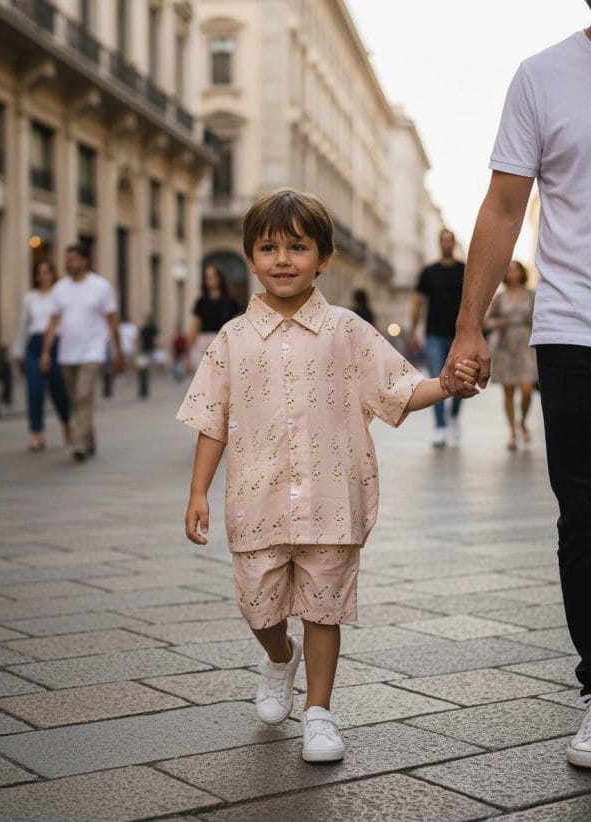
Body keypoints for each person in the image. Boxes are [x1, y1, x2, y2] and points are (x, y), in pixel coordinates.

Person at [176, 188, 478, 764]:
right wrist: (197, 492)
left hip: (332, 497)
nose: (283, 259)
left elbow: (397, 388)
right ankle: (277, 655)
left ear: (324, 258)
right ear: (251, 257)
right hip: (256, 498)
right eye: (269, 248)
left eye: (297, 247)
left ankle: (319, 712)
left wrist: (448, 386)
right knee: (258, 605)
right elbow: (210, 419)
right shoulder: (233, 339)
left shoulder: (347, 329)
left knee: (323, 607)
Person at [442, 6, 591, 769]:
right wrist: (470, 325)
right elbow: (505, 204)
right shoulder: (542, 76)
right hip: (574, 330)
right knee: (586, 516)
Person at [40, 244, 125, 462]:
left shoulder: (101, 286)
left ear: (85, 261)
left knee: (83, 395)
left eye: (74, 258)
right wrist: (46, 352)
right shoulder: (60, 288)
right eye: (67, 258)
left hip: (92, 352)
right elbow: (53, 322)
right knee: (75, 400)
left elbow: (112, 321)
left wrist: (118, 352)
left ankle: (79, 442)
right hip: (67, 354)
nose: (69, 263)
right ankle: (89, 441)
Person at [409, 229, 465, 448]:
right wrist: (414, 330)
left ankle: (455, 415)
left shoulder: (464, 270)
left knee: (461, 378)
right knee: (438, 379)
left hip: (459, 335)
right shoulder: (428, 271)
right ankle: (440, 426)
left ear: (454, 244)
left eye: (450, 241)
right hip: (433, 334)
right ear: (439, 244)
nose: (447, 244)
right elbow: (418, 302)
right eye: (444, 241)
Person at [11, 259, 71, 452]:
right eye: (40, 273)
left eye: (47, 272)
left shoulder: (60, 294)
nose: (44, 276)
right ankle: (37, 434)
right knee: (34, 391)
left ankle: (66, 423)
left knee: (58, 390)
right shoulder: (30, 297)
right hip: (34, 345)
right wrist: (18, 352)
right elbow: (23, 326)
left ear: (53, 274)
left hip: (56, 345)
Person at [484, 260, 536, 451]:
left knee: (527, 388)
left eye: (515, 269)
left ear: (522, 272)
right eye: (508, 270)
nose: (511, 273)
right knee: (508, 390)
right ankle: (512, 432)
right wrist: (498, 323)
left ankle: (522, 421)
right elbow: (486, 321)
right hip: (505, 346)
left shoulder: (532, 295)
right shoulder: (500, 297)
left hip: (525, 345)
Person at [186, 264, 239, 373]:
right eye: (207, 277)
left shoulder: (230, 301)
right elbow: (194, 326)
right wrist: (187, 353)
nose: (210, 280)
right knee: (203, 378)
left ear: (220, 278)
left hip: (224, 342)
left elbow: (237, 326)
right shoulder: (201, 302)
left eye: (213, 276)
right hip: (203, 342)